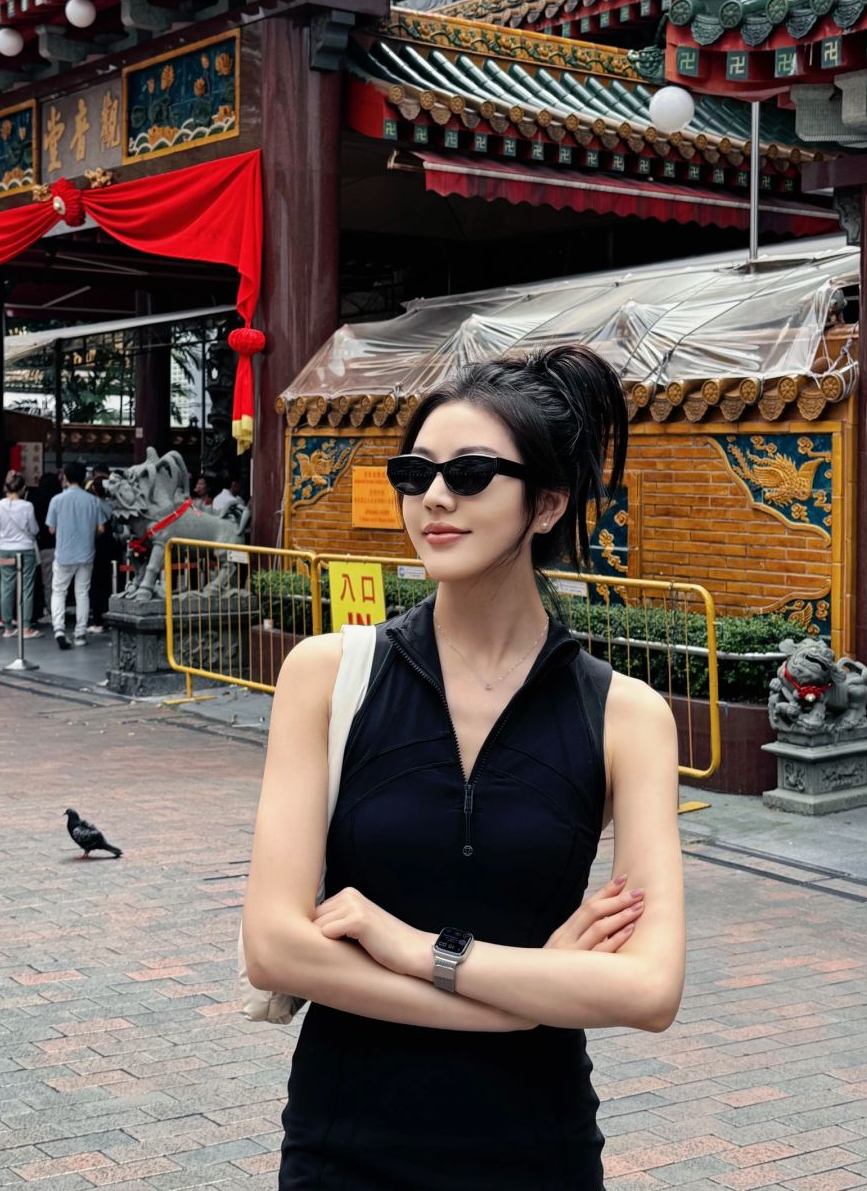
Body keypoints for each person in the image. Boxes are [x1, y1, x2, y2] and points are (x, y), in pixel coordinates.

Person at [243, 344, 686, 1190]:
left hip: (538, 1149)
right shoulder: (328, 674)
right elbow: (274, 948)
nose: (434, 498)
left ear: (548, 502)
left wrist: (418, 950)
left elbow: (649, 989)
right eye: (416, 473)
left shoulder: (626, 715)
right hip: (346, 1147)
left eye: (473, 474)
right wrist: (517, 1008)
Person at [46, 461, 107, 650]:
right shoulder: (93, 501)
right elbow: (101, 529)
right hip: (86, 553)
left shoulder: (56, 500)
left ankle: (59, 630)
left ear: (65, 476)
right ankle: (80, 633)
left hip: (64, 554)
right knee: (82, 593)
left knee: (59, 591)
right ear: (83, 478)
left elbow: (51, 529)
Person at [0, 470, 42, 639]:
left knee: (6, 586)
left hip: (5, 548)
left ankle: (7, 626)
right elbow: (34, 529)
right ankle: (26, 626)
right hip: (25, 548)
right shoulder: (27, 506)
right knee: (27, 587)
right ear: (23, 489)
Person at [28, 472, 61, 624]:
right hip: (61, 544)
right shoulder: (60, 499)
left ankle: (49, 609)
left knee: (47, 580)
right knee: (59, 581)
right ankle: (57, 609)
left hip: (43, 545)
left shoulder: (35, 500)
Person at [87, 475, 118, 634]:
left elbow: (99, 529)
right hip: (111, 545)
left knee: (96, 583)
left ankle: (98, 620)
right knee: (107, 583)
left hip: (98, 545)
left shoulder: (94, 505)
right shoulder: (112, 505)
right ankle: (108, 616)